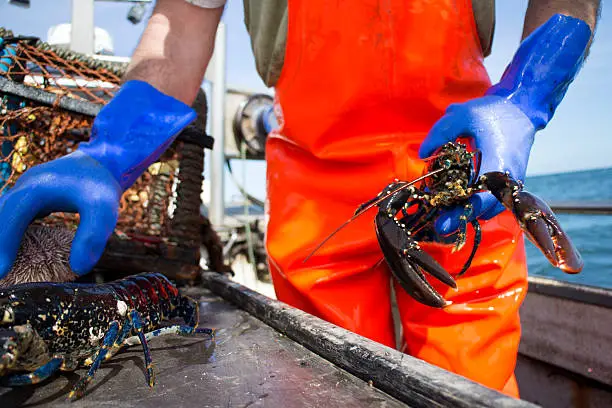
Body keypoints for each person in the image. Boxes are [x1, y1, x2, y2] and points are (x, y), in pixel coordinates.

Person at [0, 0, 600, 398]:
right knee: (326, 386)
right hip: (319, 193)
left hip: (460, 173)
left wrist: (525, 94)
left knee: (477, 382)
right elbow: (181, 22)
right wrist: (110, 153)